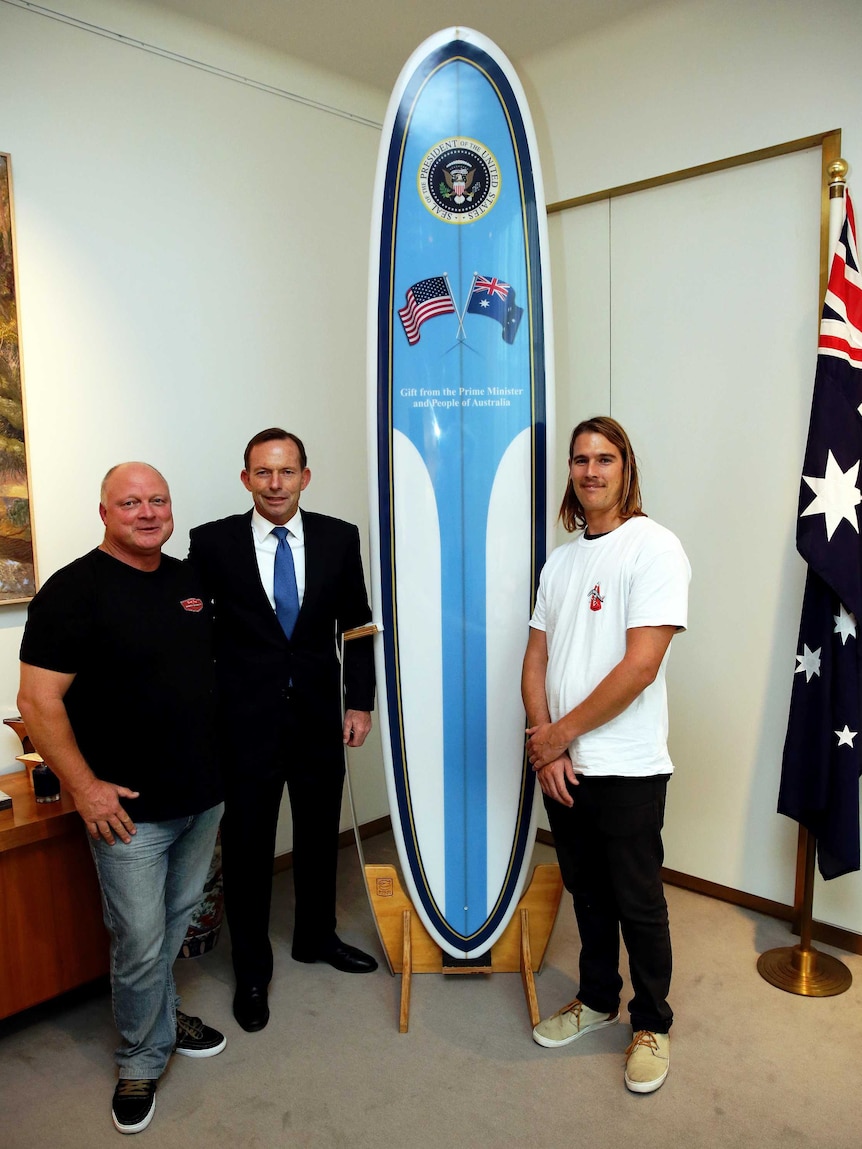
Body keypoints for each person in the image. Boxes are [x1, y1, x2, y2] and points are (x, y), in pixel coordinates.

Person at [17, 463, 226, 1135]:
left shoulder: (191, 580)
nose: (146, 511)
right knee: (138, 939)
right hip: (128, 813)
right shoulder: (72, 591)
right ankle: (140, 1057)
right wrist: (84, 787)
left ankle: (160, 1019)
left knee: (174, 920)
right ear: (103, 511)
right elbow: (36, 701)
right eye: (129, 502)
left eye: (157, 499)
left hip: (201, 797)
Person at [521, 416, 690, 1094]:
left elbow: (640, 665)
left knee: (638, 900)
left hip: (627, 764)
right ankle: (596, 1001)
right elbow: (535, 659)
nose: (591, 470)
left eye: (604, 458)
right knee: (586, 893)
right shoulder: (560, 561)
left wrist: (560, 734)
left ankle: (650, 1022)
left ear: (626, 467)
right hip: (562, 764)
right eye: (580, 459)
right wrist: (545, 742)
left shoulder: (653, 547)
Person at [189, 428, 377, 1035]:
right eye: (263, 473)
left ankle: (315, 937)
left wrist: (360, 702)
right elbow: (195, 641)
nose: (275, 484)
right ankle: (251, 969)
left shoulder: (338, 537)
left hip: (321, 717)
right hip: (244, 726)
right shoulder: (211, 543)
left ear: (305, 476)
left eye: (287, 472)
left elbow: (358, 625)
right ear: (246, 478)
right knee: (247, 848)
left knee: (320, 834)